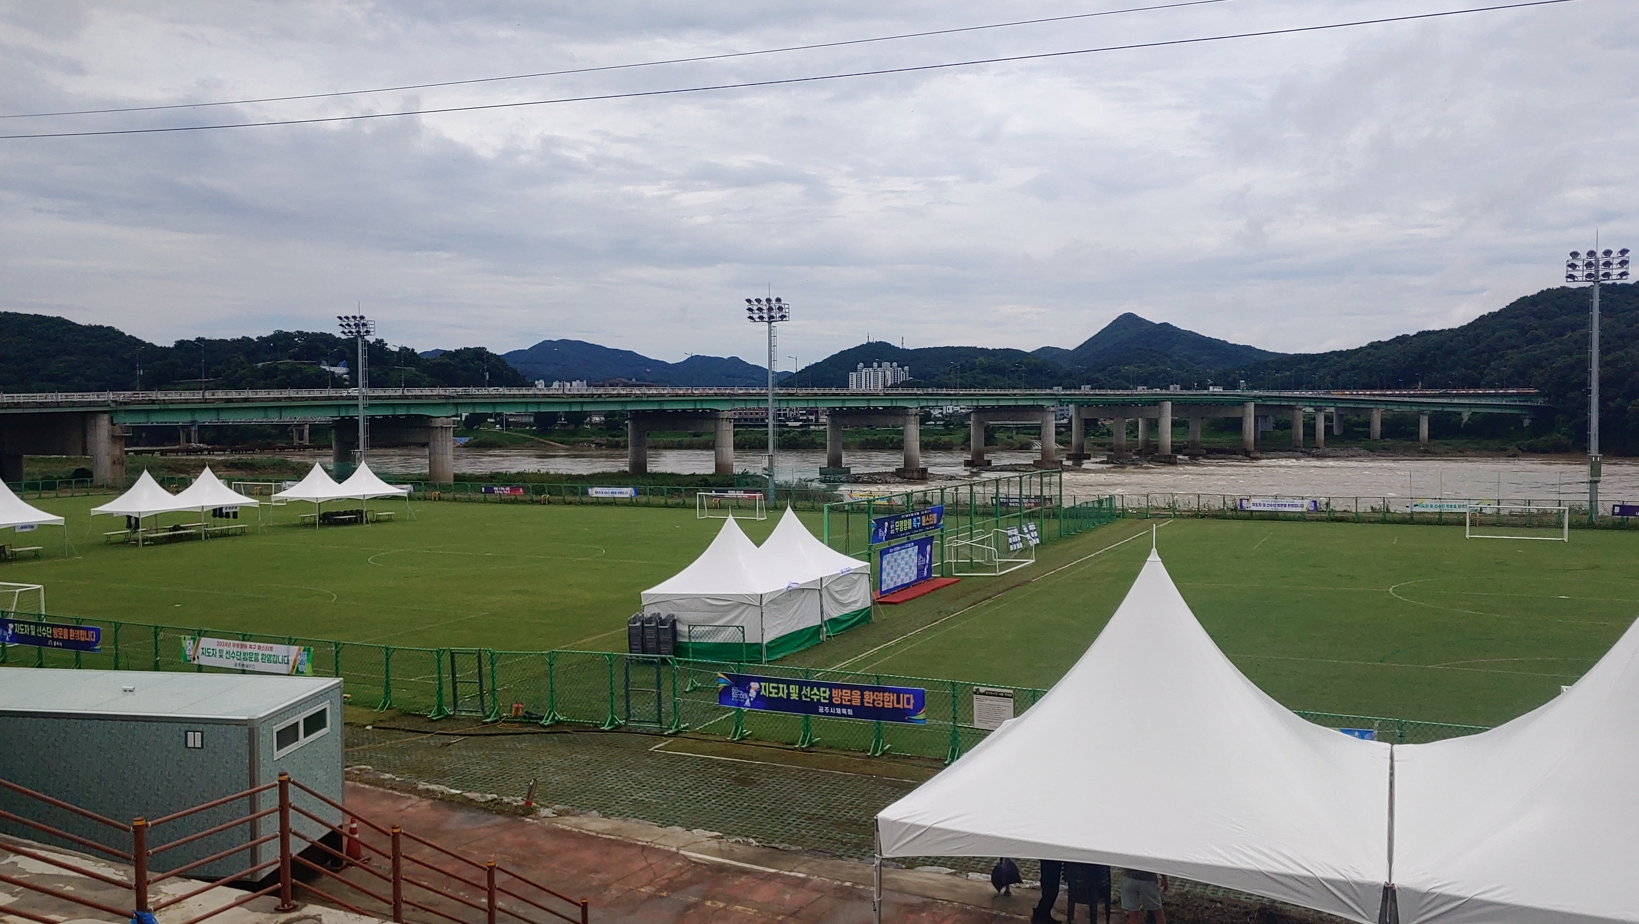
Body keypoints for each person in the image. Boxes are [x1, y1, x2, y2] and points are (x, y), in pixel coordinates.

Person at [1032, 859, 1063, 924]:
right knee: (1051, 891)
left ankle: (1044, 914)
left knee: (1050, 891)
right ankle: (1039, 914)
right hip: (1051, 860)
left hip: (1051, 860)